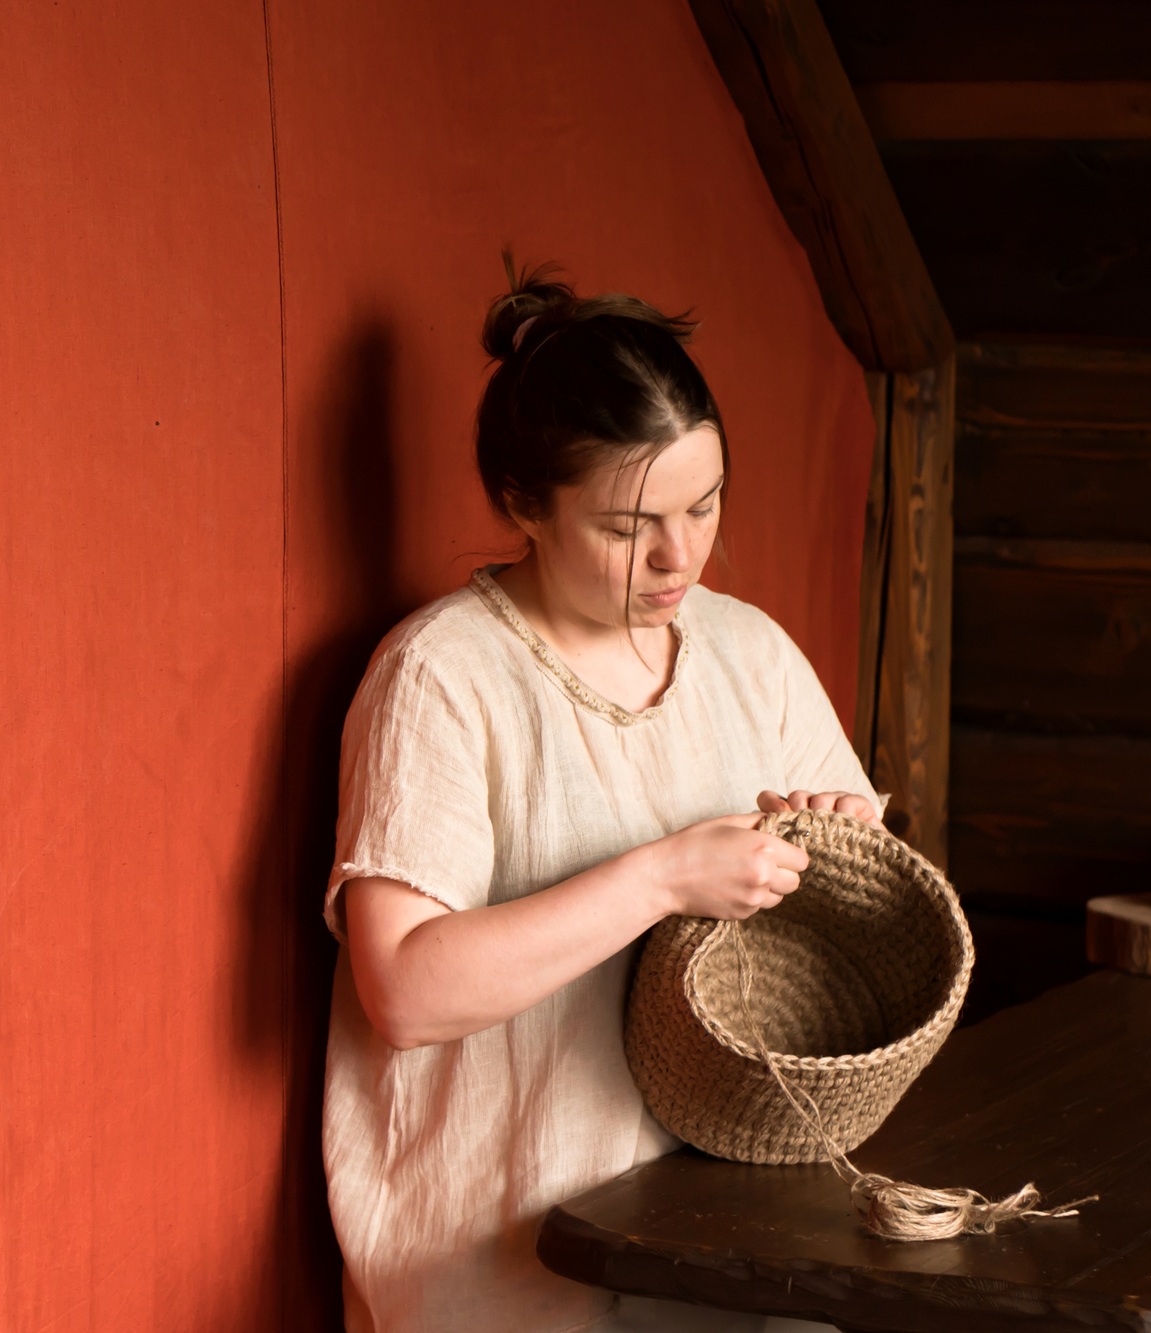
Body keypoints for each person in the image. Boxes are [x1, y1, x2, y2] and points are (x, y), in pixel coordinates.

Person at [321, 263, 881, 1333]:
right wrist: (663, 872)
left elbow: (858, 915)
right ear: (521, 504)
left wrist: (836, 847)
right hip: (510, 1264)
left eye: (703, 505)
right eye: (628, 527)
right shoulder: (441, 675)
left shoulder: (746, 650)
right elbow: (402, 992)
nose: (678, 556)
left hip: (723, 1242)